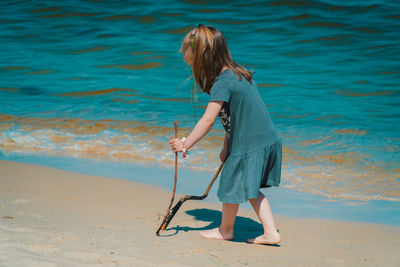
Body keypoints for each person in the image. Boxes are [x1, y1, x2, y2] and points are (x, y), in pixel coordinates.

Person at [168, 24, 282, 245]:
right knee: (247, 187)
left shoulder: (222, 82)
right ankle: (268, 232)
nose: (186, 60)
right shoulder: (237, 73)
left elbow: (208, 120)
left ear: (203, 58)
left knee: (232, 184)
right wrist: (227, 146)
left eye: (189, 57)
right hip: (262, 138)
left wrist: (186, 143)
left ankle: (226, 231)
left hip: (250, 142)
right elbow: (235, 116)